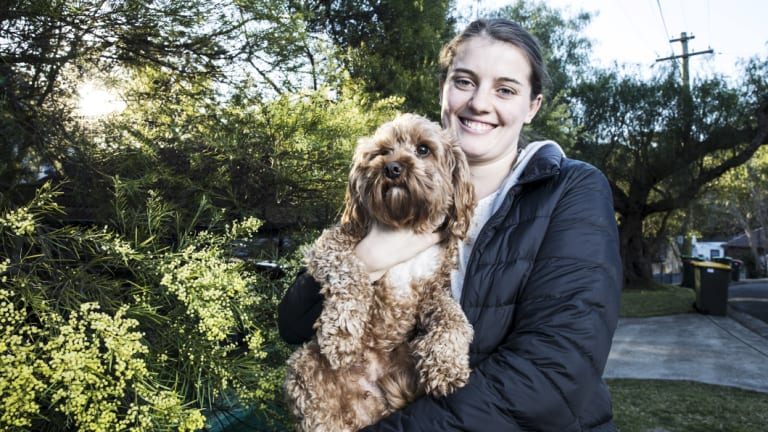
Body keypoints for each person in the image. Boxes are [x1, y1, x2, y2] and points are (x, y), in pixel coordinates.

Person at [278, 18, 622, 431]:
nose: (479, 103)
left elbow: (554, 373)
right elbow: (294, 325)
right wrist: (369, 257)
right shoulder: (390, 187)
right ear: (443, 88)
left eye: (506, 89)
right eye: (464, 82)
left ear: (532, 106)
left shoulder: (571, 188)